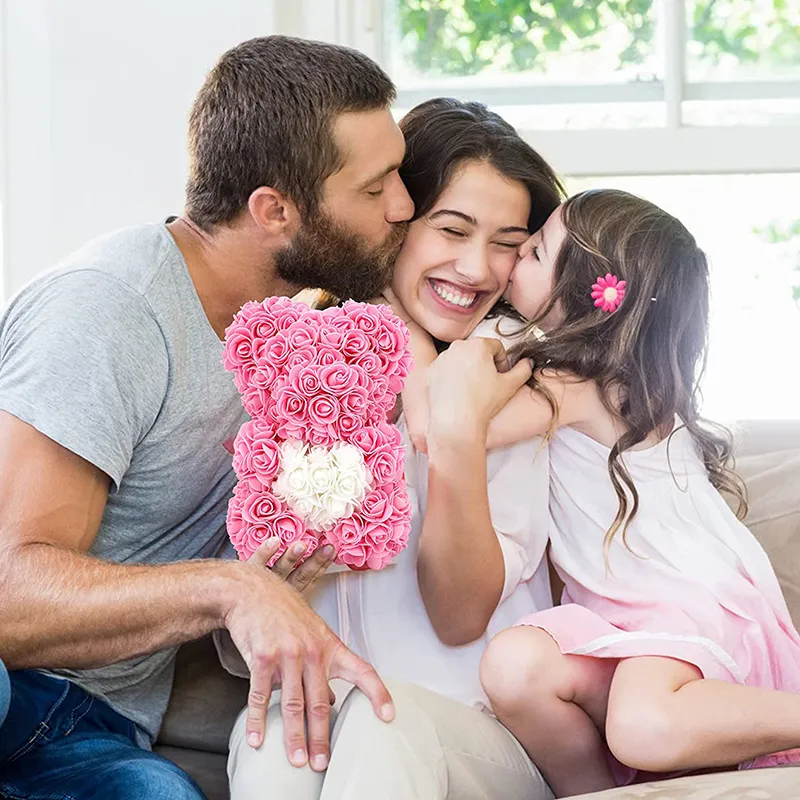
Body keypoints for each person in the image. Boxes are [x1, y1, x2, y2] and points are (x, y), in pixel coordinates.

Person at [0, 35, 413, 799]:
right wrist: (233, 589)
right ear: (274, 211)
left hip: (91, 723)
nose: (403, 206)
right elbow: (9, 597)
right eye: (375, 187)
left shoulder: (302, 343)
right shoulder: (111, 311)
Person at [221, 98, 563, 800]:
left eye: (508, 241)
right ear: (397, 221)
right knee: (279, 745)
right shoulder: (299, 366)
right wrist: (280, 579)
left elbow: (461, 615)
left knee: (384, 720)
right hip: (324, 708)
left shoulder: (517, 380)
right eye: (453, 229)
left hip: (475, 735)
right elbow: (235, 640)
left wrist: (428, 389)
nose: (476, 268)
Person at [423, 189, 800, 798]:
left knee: (640, 728)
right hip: (629, 618)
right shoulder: (611, 378)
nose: (516, 254)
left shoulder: (573, 382)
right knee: (513, 668)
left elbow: (453, 425)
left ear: (580, 297)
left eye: (536, 250)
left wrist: (429, 348)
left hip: (680, 607)